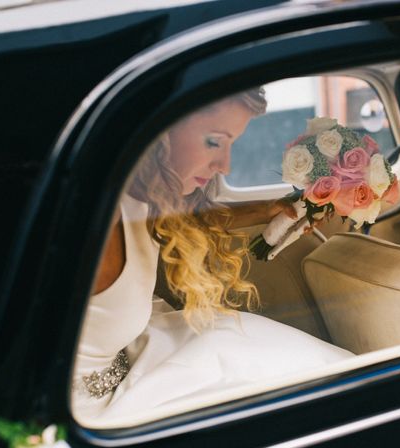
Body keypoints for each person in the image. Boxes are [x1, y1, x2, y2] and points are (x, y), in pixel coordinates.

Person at [72, 88, 353, 428]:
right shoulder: (94, 228)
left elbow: (186, 220)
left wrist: (267, 209)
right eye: (214, 142)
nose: (226, 165)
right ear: (157, 133)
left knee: (310, 367)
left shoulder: (139, 197)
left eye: (230, 144)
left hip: (135, 354)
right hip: (95, 412)